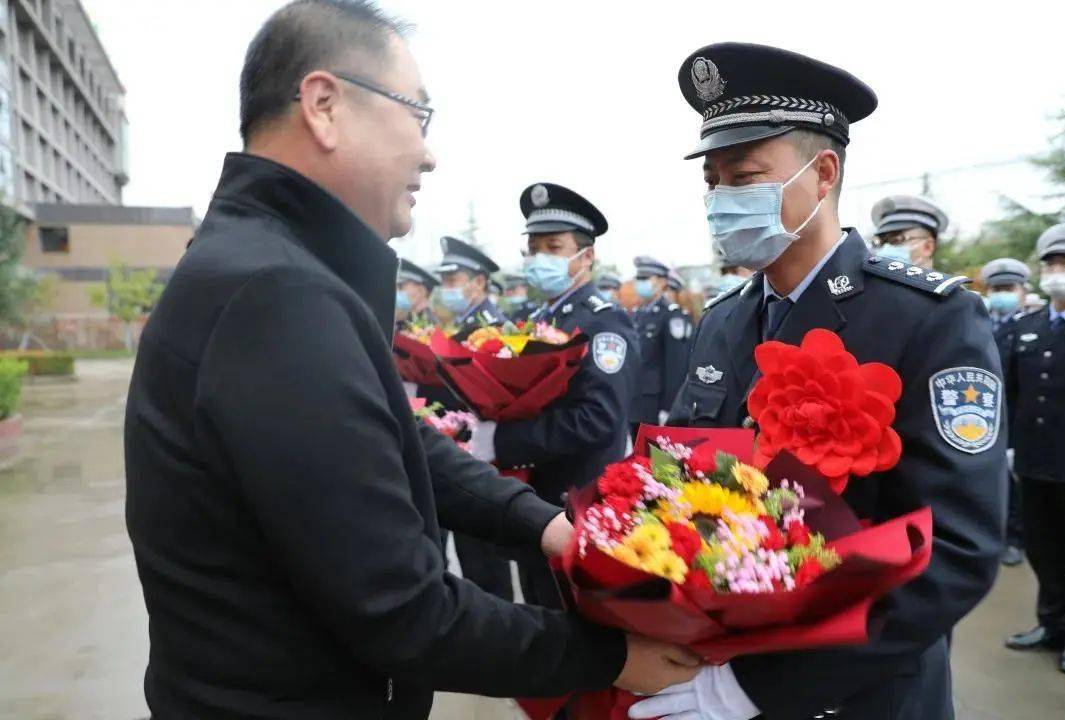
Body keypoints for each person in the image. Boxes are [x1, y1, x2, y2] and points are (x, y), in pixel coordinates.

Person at [124, 3, 699, 717]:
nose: (429, 153)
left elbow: (395, 440)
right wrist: (614, 658)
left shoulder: (276, 269)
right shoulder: (274, 296)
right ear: (325, 106)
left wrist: (546, 525)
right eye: (417, 115)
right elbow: (402, 608)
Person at [631, 42, 1005, 720]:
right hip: (717, 660)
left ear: (823, 172)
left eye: (743, 176)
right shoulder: (723, 322)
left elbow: (957, 548)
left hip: (859, 695)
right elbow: (685, 485)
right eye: (712, 182)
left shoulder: (926, 318)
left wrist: (763, 691)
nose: (721, 201)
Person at [470, 181, 640, 608]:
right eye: (532, 248)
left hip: (574, 498)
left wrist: (502, 441)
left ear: (586, 256)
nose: (538, 258)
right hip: (534, 493)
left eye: (553, 246)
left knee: (569, 615)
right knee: (539, 604)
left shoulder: (602, 322)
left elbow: (596, 419)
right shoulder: (536, 318)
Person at [1003, 223, 1065, 677]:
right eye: (1051, 264)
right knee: (1042, 546)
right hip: (1034, 459)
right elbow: (1011, 393)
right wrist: (1011, 447)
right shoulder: (1026, 326)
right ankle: (1049, 623)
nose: (1058, 272)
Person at [430, 235, 516, 601]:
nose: (447, 289)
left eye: (454, 281)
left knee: (486, 565)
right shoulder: (460, 325)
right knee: (470, 559)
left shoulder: (494, 330)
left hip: (483, 457)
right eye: (445, 281)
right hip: (460, 452)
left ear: (479, 282)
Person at [981, 257, 1032, 567]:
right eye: (997, 288)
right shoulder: (978, 320)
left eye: (1008, 288)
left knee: (1014, 483)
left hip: (1016, 413)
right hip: (984, 413)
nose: (1002, 294)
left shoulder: (1027, 327)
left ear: (1022, 292)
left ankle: (1014, 537)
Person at [631, 256, 693, 429]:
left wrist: (670, 408)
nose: (640, 283)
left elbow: (676, 367)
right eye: (638, 278)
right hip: (634, 403)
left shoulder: (671, 315)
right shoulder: (637, 314)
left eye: (645, 278)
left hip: (656, 405)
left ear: (662, 282)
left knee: (655, 456)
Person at [435, 235, 507, 332]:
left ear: (479, 282)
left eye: (452, 281)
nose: (445, 288)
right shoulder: (461, 319)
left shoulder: (492, 327)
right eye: (443, 282)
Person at [869, 194, 949, 270]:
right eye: (882, 242)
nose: (886, 247)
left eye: (896, 240)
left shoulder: (949, 284)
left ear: (928, 247)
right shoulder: (865, 284)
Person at [395, 257, 439, 328]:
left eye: (400, 287)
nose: (396, 292)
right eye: (395, 287)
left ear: (421, 291)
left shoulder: (434, 326)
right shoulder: (400, 321)